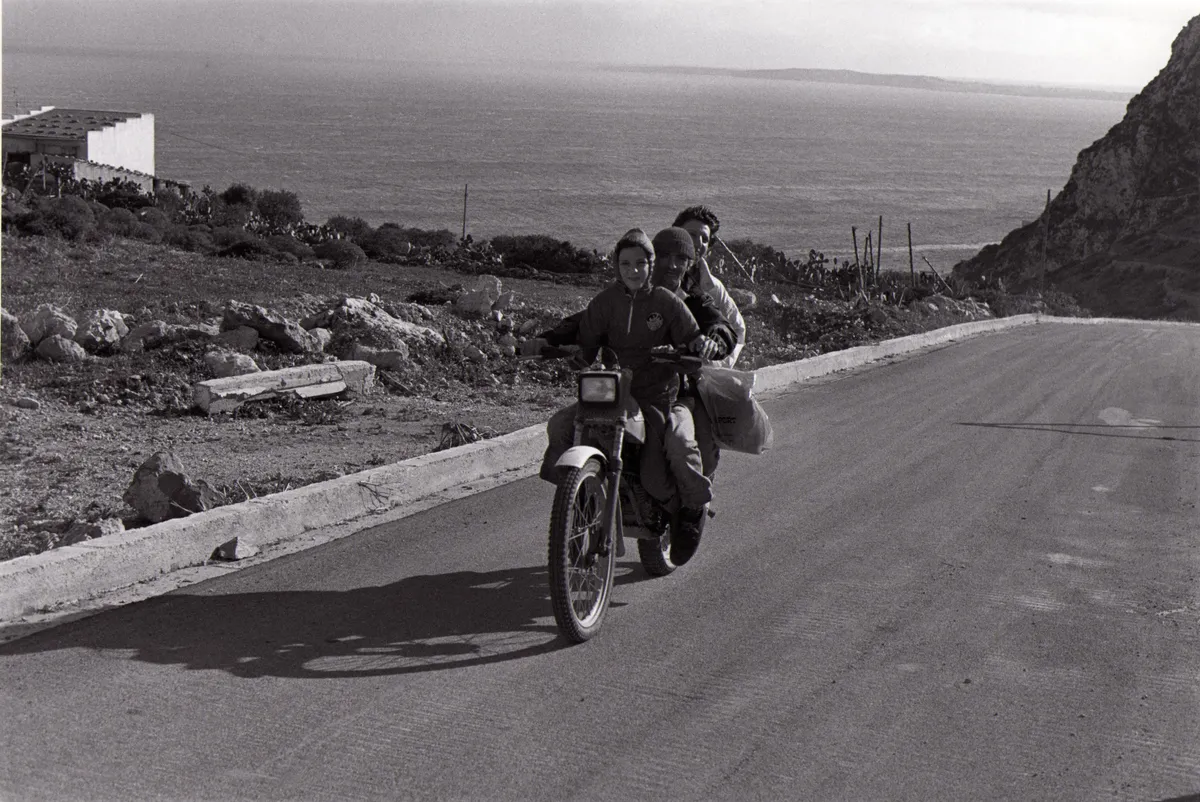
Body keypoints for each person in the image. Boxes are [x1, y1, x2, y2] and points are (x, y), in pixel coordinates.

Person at [533, 228, 721, 564]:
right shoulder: (605, 302)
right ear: (616, 266)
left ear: (650, 264)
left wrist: (702, 345)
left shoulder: (668, 302)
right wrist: (553, 347)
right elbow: (587, 343)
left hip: (654, 396)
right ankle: (574, 509)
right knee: (560, 427)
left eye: (640, 263)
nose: (633, 270)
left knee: (660, 467)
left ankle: (689, 510)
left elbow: (693, 336)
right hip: (611, 391)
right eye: (625, 264)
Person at [672, 205, 747, 368]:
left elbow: (738, 329)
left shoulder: (714, 288)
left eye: (704, 239)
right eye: (691, 234)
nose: (697, 243)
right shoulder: (651, 279)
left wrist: (717, 366)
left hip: (699, 377)